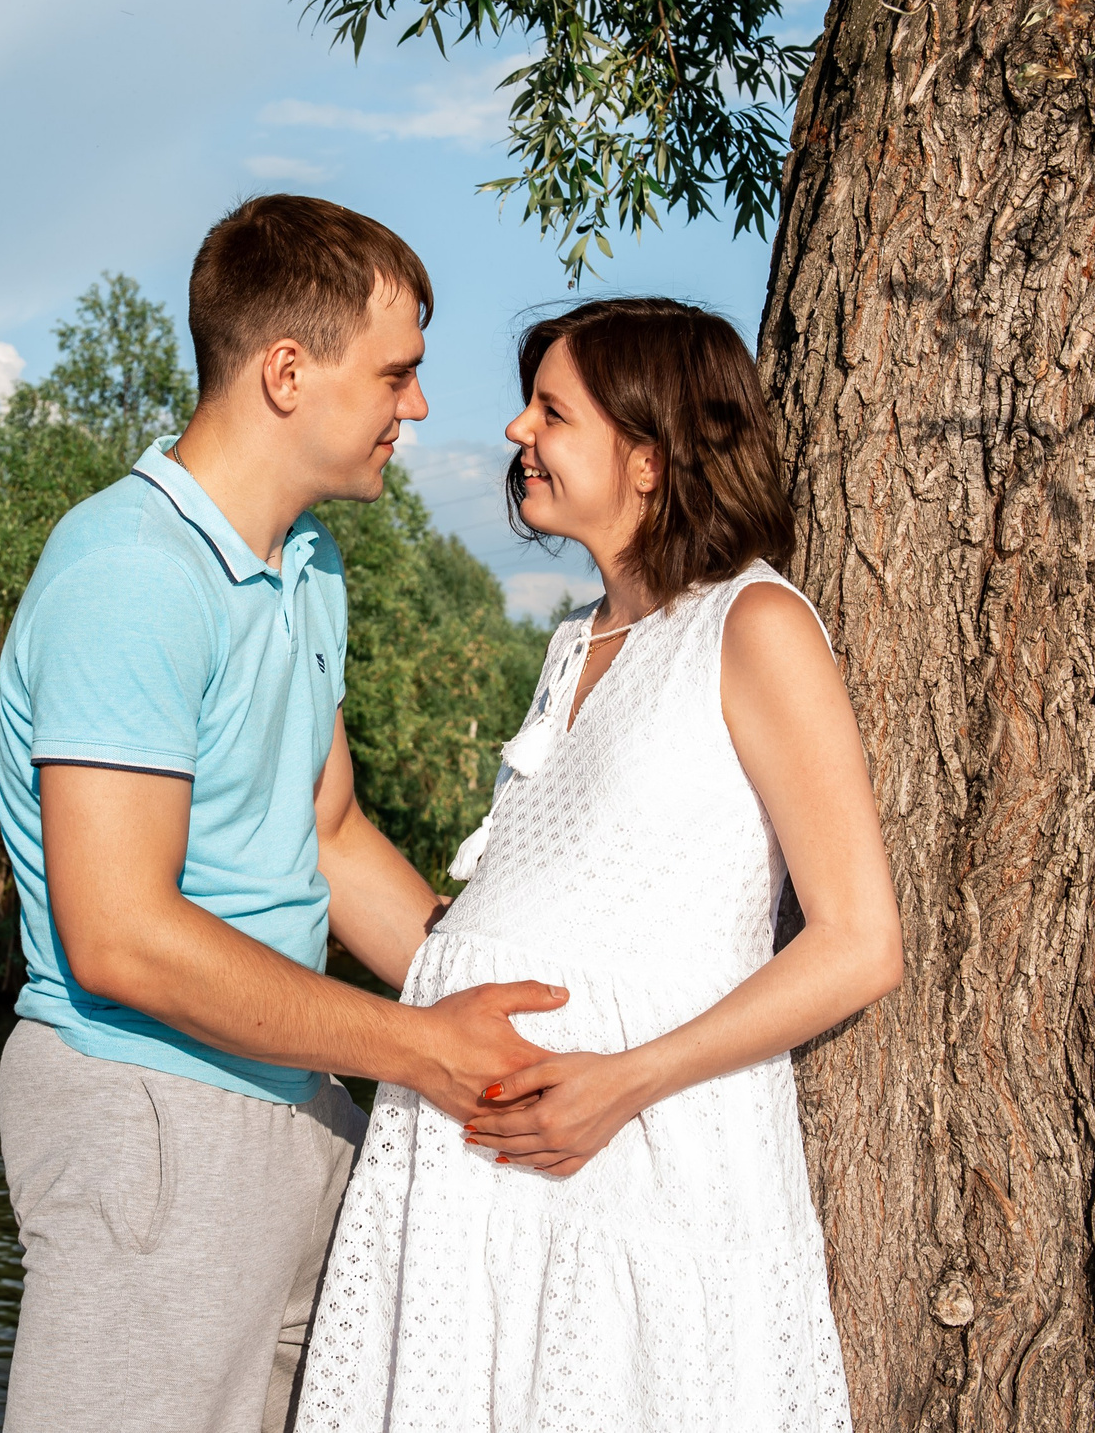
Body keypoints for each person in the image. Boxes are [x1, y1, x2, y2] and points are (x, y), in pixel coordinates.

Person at [0, 194, 568, 1433]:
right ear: (288, 371)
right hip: (146, 1104)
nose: (418, 409)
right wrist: (419, 1047)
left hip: (296, 1098)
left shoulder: (307, 566)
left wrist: (510, 1019)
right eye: (399, 374)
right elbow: (120, 934)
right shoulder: (130, 573)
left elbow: (331, 837)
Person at [295, 297, 906, 1432]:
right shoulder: (579, 635)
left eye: (551, 411)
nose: (519, 432)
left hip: (640, 1156)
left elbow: (860, 940)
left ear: (647, 455)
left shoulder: (754, 623)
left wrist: (620, 1079)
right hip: (481, 1169)